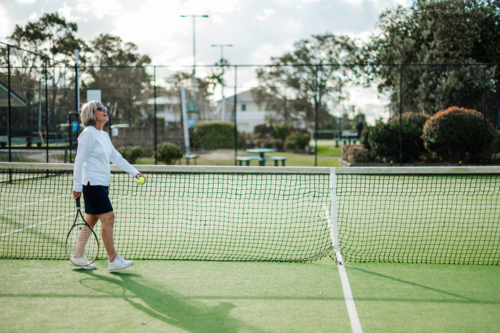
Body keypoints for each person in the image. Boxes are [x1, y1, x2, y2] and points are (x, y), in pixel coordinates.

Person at [71, 100, 146, 271]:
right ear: (92, 113)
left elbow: (117, 157)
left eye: (105, 108)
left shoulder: (103, 135)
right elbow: (79, 161)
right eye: (101, 109)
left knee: (91, 220)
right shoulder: (88, 134)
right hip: (91, 184)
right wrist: (77, 186)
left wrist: (135, 172)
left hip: (102, 184)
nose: (106, 110)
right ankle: (113, 260)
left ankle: (77, 256)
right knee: (109, 217)